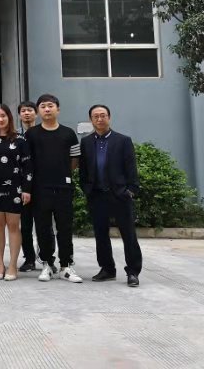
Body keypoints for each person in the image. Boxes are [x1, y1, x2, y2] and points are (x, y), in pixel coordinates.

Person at [79, 104, 142, 287]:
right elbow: (83, 169)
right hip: (97, 195)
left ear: (109, 117)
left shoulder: (122, 140)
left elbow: (131, 168)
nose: (100, 119)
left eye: (103, 115)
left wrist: (130, 190)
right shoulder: (86, 142)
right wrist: (86, 189)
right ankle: (107, 269)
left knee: (128, 234)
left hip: (120, 195)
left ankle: (133, 272)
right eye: (96, 116)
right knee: (101, 234)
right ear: (91, 119)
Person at [26, 94, 82, 284]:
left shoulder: (68, 133)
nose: (47, 109)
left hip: (63, 188)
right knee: (43, 228)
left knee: (65, 228)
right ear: (38, 111)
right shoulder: (32, 134)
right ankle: (47, 265)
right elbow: (27, 161)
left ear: (58, 109)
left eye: (50, 106)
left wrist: (63, 173)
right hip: (39, 188)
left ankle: (66, 265)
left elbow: (75, 159)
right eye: (43, 106)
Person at [0, 104, 32, 281]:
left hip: (15, 189)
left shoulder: (20, 140)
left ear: (9, 118)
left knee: (13, 226)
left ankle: (12, 265)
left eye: (3, 116)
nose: (0, 119)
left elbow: (28, 166)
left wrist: (26, 189)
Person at [17, 100, 51, 273]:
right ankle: (29, 258)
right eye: (23, 111)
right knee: (25, 225)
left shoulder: (43, 132)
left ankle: (47, 259)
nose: (27, 113)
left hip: (42, 184)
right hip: (21, 186)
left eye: (30, 110)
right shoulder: (15, 135)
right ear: (19, 115)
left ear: (36, 113)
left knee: (44, 225)